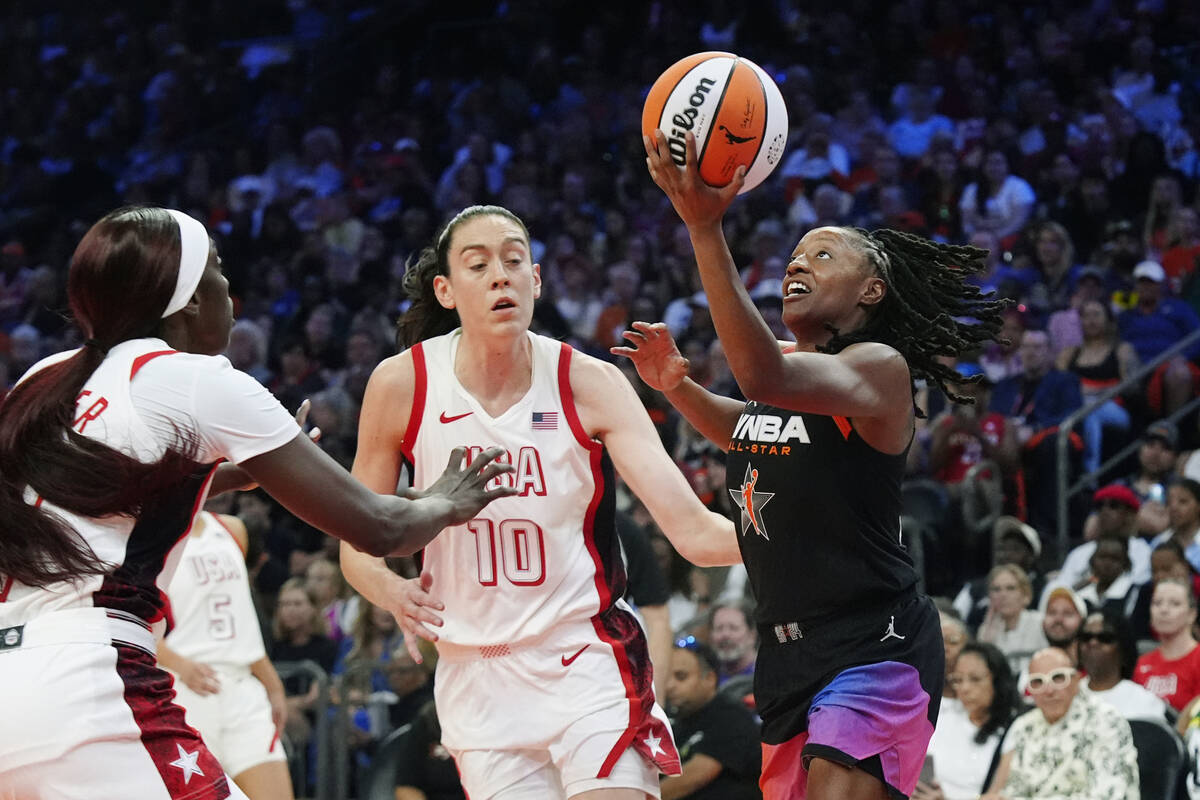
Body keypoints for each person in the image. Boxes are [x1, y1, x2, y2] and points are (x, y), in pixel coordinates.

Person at [0, 207, 515, 798]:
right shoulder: (196, 379)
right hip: (90, 685)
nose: (230, 292)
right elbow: (379, 527)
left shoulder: (44, 378)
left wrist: (222, 478)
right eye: (218, 270)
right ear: (189, 298)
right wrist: (447, 502)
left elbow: (97, 492)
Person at [628, 130, 1009, 800]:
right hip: (784, 652)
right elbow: (751, 426)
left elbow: (760, 378)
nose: (796, 266)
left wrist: (704, 228)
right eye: (795, 257)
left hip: (874, 641)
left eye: (823, 255)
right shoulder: (791, 381)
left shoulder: (877, 370)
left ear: (871, 291)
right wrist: (678, 388)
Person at [342, 204, 743, 800]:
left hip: (584, 656)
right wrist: (392, 592)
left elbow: (697, 535)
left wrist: (815, 534)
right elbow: (357, 546)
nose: (501, 275)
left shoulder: (589, 381)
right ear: (446, 291)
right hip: (475, 673)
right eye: (478, 265)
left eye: (513, 260)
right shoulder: (402, 384)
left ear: (537, 279)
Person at [158, 509, 293, 800]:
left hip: (242, 685)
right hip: (185, 689)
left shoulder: (232, 529)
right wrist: (180, 665)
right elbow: (129, 625)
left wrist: (272, 684)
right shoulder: (147, 535)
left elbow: (240, 614)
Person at [983, 647, 1138, 800]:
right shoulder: (1023, 726)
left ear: (1076, 680)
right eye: (1038, 682)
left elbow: (1108, 795)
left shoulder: (1106, 720)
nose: (1049, 690)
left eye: (1058, 678)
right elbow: (1008, 791)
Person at [915, 642, 1022, 800]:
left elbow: (997, 796)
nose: (964, 688)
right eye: (958, 680)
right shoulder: (943, 713)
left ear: (998, 681)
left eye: (975, 679)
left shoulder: (1014, 729)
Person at [660, 640, 762, 800]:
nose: (669, 686)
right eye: (666, 678)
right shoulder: (670, 720)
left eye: (681, 677)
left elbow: (694, 777)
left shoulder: (731, 717)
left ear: (709, 678)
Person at [1078, 609, 1169, 724]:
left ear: (1124, 649)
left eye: (1105, 638)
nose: (1093, 643)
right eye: (1086, 637)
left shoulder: (1144, 701)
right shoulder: (1065, 695)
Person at [1134, 578, 1200, 712]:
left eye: (1175, 604)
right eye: (1157, 603)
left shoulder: (1197, 659)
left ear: (1192, 614)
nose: (1163, 610)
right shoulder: (1141, 663)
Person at [977, 565, 1048, 677]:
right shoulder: (985, 631)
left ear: (1025, 595)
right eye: (996, 589)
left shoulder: (1041, 623)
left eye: (1010, 588)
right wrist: (987, 642)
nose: (1003, 595)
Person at [709, 601, 757, 687]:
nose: (725, 635)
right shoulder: (708, 680)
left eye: (733, 628)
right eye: (719, 628)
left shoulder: (768, 674)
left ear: (752, 636)